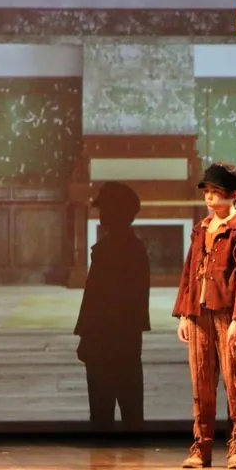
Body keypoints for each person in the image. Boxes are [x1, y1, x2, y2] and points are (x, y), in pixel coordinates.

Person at [173, 162, 236, 469]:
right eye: (207, 191)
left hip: (228, 315)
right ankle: (202, 447)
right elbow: (189, 272)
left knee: (235, 382)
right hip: (199, 313)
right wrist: (184, 313)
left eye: (216, 192)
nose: (209, 197)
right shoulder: (201, 228)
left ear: (233, 195)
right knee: (201, 382)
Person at [75, 181, 151, 431]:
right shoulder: (134, 249)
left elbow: (95, 300)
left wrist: (86, 336)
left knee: (102, 409)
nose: (101, 215)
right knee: (131, 407)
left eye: (105, 210)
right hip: (127, 337)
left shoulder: (110, 251)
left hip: (105, 339)